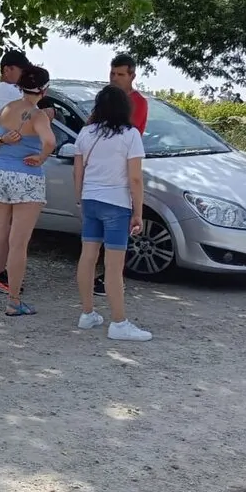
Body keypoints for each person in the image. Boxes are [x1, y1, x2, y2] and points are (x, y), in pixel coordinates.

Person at [0, 65, 56, 316]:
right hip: (26, 177)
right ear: (44, 89)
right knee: (18, 243)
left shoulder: (5, 110)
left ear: (20, 86)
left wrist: (2, 140)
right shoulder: (38, 115)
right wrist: (41, 158)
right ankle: (14, 300)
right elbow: (50, 142)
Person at [73, 85, 153, 341]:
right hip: (116, 203)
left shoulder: (86, 133)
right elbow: (135, 178)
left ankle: (87, 313)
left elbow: (78, 172)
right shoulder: (130, 135)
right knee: (114, 265)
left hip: (90, 199)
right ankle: (118, 322)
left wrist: (80, 200)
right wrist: (137, 211)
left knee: (88, 257)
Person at [94, 53, 149, 296]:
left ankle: (114, 276)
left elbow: (128, 130)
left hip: (124, 166)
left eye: (120, 75)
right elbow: (90, 126)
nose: (115, 79)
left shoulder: (138, 102)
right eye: (112, 74)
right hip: (102, 170)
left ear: (132, 76)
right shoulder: (104, 100)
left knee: (120, 223)